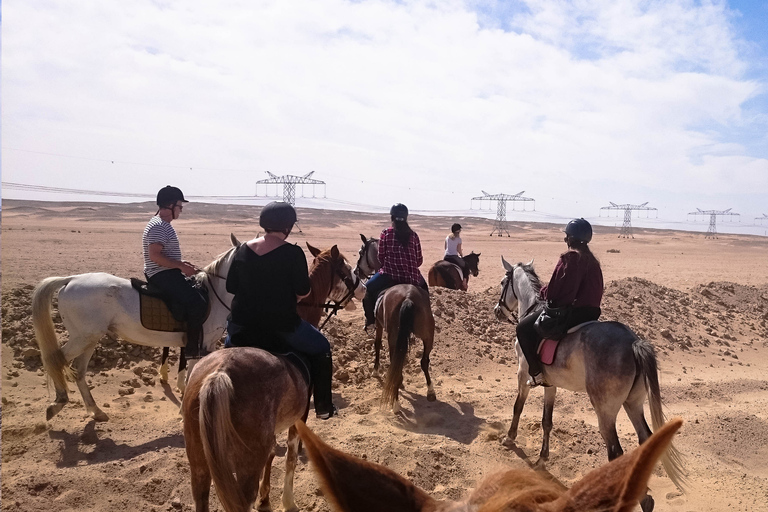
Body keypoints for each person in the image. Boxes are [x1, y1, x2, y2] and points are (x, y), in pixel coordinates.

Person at [225, 201, 337, 420]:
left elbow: (231, 287)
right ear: (287, 227)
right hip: (281, 327)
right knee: (322, 346)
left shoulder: (241, 250)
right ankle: (323, 407)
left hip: (241, 328)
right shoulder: (293, 253)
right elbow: (304, 291)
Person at [515, 218, 604, 387]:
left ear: (571, 238)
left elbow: (560, 293)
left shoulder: (570, 259)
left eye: (567, 237)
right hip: (592, 314)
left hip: (573, 314)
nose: (566, 240)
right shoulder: (593, 261)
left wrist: (544, 292)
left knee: (523, 329)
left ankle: (537, 374)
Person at [143, 185, 207, 360]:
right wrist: (180, 266)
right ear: (170, 205)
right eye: (180, 206)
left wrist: (182, 264)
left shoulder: (162, 225)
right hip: (161, 274)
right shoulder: (159, 226)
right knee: (197, 303)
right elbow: (155, 255)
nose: (181, 210)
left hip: (166, 272)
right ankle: (192, 350)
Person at [362, 203, 427, 331]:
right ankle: (425, 320)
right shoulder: (414, 235)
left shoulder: (386, 233)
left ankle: (370, 321)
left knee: (367, 290)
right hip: (411, 277)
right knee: (425, 291)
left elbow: (381, 257)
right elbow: (419, 260)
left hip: (389, 275)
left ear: (392, 217)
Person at [443, 223, 468, 288]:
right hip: (453, 257)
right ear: (458, 231)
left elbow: (445, 248)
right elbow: (459, 249)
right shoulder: (458, 239)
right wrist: (461, 254)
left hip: (446, 256)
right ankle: (464, 283)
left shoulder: (447, 237)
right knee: (466, 266)